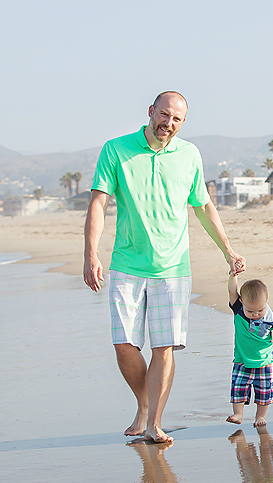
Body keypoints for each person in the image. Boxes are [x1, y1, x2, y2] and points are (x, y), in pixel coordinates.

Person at [83, 91, 245, 443]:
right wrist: (91, 253)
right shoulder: (116, 149)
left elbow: (202, 206)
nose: (168, 124)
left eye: (176, 119)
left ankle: (154, 421)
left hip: (172, 268)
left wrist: (228, 250)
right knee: (124, 344)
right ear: (150, 112)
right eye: (164, 115)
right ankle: (144, 403)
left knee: (164, 346)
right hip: (126, 263)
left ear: (182, 123)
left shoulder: (189, 155)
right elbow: (98, 201)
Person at [226, 274, 273, 427]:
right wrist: (233, 275)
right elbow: (232, 291)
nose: (255, 315)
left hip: (265, 363)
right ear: (241, 301)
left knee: (264, 393)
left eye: (259, 310)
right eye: (250, 312)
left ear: (267, 300)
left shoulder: (270, 317)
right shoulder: (238, 309)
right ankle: (238, 414)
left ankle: (260, 416)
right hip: (242, 362)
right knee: (238, 389)